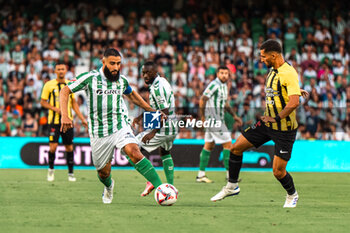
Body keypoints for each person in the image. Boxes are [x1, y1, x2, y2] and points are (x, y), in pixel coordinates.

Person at [211, 39, 308, 208]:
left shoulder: (288, 72)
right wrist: (296, 90)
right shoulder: (273, 70)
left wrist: (276, 117)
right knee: (235, 148)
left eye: (263, 56)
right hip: (266, 124)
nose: (261, 59)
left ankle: (292, 194)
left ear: (273, 55)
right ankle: (232, 186)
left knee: (278, 172)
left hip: (284, 129)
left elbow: (294, 103)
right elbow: (282, 90)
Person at [59, 48, 164, 204]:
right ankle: (109, 187)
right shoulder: (90, 78)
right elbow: (65, 90)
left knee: (133, 151)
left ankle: (162, 188)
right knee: (103, 173)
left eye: (118, 64)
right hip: (99, 132)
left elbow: (132, 94)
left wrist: (151, 110)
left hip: (120, 125)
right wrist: (65, 115)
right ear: (103, 62)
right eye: (112, 63)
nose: (116, 67)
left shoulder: (121, 80)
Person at [130, 61, 177, 196]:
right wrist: (141, 117)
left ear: (155, 72)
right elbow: (158, 109)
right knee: (165, 152)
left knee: (130, 149)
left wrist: (153, 132)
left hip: (164, 128)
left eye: (148, 73)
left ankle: (153, 182)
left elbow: (164, 112)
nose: (144, 75)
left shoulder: (157, 89)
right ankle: (171, 187)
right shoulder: (161, 82)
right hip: (172, 127)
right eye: (143, 73)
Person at [40, 62, 87, 182]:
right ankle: (51, 170)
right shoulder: (49, 85)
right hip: (54, 122)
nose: (61, 71)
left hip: (68, 122)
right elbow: (43, 102)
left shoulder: (70, 84)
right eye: (58, 69)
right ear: (55, 71)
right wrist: (56, 109)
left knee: (69, 148)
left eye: (62, 69)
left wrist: (82, 119)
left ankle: (71, 173)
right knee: (53, 147)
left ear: (65, 71)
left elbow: (74, 103)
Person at [196, 66, 242, 183]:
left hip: (217, 120)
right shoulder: (214, 85)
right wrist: (202, 117)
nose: (224, 75)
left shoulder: (224, 87)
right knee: (228, 145)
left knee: (209, 146)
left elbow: (225, 104)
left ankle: (201, 175)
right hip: (214, 120)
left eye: (226, 73)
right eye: (222, 73)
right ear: (217, 74)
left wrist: (234, 116)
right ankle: (230, 175)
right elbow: (202, 99)